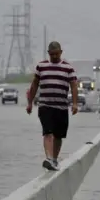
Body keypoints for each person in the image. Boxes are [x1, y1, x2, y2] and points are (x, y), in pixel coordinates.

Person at [26, 41, 79, 171]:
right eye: (52, 54)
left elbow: (73, 86)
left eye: (57, 54)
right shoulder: (41, 66)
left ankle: (54, 159)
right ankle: (49, 158)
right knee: (48, 132)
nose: (54, 56)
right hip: (45, 106)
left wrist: (75, 103)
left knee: (59, 135)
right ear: (48, 54)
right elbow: (34, 85)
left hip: (61, 107)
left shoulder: (68, 68)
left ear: (61, 52)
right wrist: (30, 103)